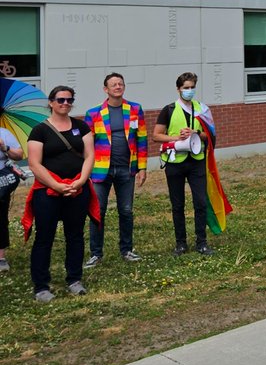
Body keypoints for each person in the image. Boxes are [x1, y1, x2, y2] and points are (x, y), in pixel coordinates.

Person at [25, 86, 96, 302]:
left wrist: (81, 181)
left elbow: (89, 156)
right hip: (48, 192)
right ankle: (41, 286)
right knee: (44, 238)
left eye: (69, 100)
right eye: (60, 100)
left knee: (75, 236)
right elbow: (34, 163)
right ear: (51, 102)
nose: (65, 103)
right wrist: (56, 185)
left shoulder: (81, 126)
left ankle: (74, 279)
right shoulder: (39, 130)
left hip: (77, 190)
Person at [84, 72, 148, 266]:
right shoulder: (93, 113)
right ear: (106, 89)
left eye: (121, 83)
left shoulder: (135, 109)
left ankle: (127, 250)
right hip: (100, 171)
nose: (118, 87)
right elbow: (87, 145)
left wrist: (142, 168)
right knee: (98, 211)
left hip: (126, 170)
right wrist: (85, 170)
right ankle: (96, 253)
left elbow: (142, 140)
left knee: (126, 211)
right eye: (114, 84)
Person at [152, 71, 215, 256]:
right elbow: (156, 135)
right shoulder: (169, 109)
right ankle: (181, 243)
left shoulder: (202, 108)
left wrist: (196, 134)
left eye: (192, 87)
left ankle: (201, 241)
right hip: (175, 161)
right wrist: (176, 137)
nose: (189, 91)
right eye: (186, 88)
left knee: (200, 202)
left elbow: (210, 134)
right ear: (178, 89)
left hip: (196, 161)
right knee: (177, 204)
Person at [0, 129, 25, 273]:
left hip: (1, 182)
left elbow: (19, 155)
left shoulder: (4, 133)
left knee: (1, 218)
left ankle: (1, 258)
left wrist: (4, 147)